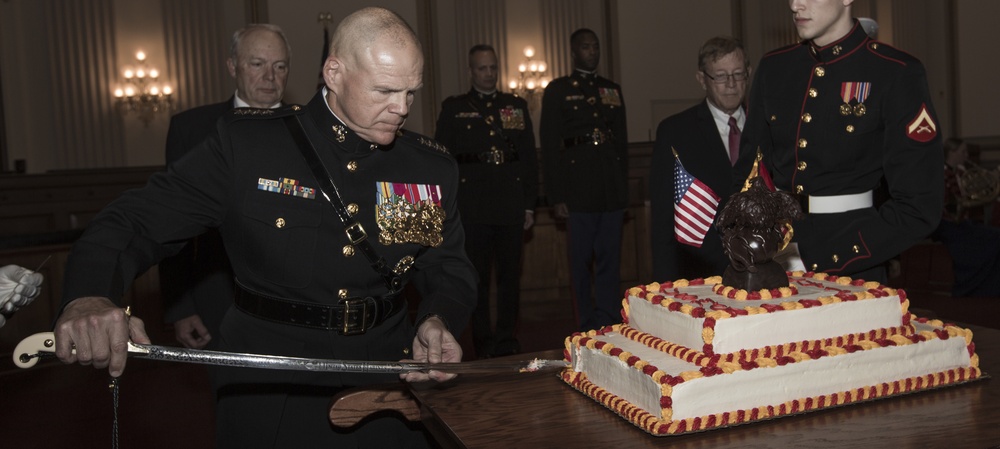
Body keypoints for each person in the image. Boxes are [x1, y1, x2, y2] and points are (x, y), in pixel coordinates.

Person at [53, 7, 476, 448]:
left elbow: (448, 267)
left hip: (388, 377)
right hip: (273, 382)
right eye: (386, 90)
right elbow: (134, 221)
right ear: (333, 72)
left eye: (412, 92)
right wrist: (88, 294)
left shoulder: (426, 166)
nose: (402, 108)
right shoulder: (249, 147)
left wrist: (437, 319)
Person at [734, 0, 944, 282]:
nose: (795, 5)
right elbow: (750, 170)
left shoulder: (894, 71)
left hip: (854, 261)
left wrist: (822, 256)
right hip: (771, 253)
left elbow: (920, 207)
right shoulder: (775, 67)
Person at [159, 23, 291, 350]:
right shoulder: (191, 129)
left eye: (280, 66)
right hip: (219, 296)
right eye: (257, 64)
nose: (270, 76)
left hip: (297, 299)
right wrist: (181, 308)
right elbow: (171, 224)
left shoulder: (312, 129)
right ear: (233, 66)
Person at [435, 45, 538, 358]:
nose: (489, 73)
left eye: (493, 67)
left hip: (509, 205)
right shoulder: (454, 108)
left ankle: (507, 339)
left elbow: (529, 159)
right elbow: (443, 160)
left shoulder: (515, 106)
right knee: (476, 280)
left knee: (509, 280)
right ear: (471, 71)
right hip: (473, 207)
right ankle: (483, 341)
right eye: (482, 68)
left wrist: (530, 204)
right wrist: (448, 208)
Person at [540, 28, 628, 331]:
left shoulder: (611, 89)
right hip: (577, 189)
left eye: (596, 46)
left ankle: (607, 322)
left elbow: (621, 146)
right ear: (574, 52)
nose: (593, 52)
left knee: (609, 261)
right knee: (581, 264)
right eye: (586, 47)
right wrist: (557, 196)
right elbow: (550, 146)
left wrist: (622, 189)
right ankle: (586, 325)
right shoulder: (558, 89)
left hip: (609, 188)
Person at [651, 36, 750, 281]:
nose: (731, 84)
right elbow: (664, 220)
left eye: (738, 74)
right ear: (702, 80)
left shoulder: (767, 125)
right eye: (720, 76)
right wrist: (667, 287)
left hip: (762, 269)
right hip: (701, 274)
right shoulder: (676, 132)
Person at [931, 138, 1000, 297]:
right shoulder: (939, 173)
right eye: (963, 151)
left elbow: (977, 194)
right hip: (945, 224)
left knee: (995, 236)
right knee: (985, 240)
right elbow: (941, 204)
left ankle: (990, 287)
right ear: (951, 153)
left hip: (962, 222)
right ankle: (969, 285)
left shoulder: (960, 173)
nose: (967, 155)